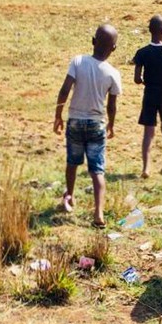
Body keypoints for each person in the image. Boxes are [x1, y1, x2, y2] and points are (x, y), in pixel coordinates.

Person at [54, 24, 122, 228]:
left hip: (75, 121)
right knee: (97, 170)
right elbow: (112, 105)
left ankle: (70, 195)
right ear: (114, 48)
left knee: (72, 162)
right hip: (96, 124)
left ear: (93, 41)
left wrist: (58, 114)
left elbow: (65, 89)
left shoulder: (78, 61)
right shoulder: (113, 73)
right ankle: (98, 213)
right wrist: (111, 125)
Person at [133, 15, 162, 178]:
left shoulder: (142, 52)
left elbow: (137, 78)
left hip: (150, 95)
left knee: (148, 132)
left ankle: (146, 168)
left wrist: (145, 81)